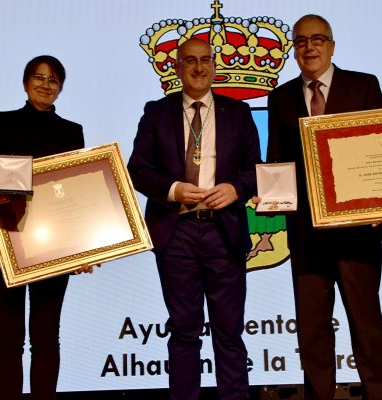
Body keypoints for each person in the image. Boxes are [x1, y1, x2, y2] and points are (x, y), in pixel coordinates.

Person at [266, 15, 382, 400]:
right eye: (301, 41)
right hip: (307, 236)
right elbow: (276, 161)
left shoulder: (363, 85)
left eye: (318, 39)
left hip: (359, 233)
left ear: (332, 45)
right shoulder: (280, 97)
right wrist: (271, 196)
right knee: (311, 334)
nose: (309, 48)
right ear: (294, 49)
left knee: (367, 328)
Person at [128, 38, 261, 400]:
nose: (199, 68)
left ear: (215, 66)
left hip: (225, 231)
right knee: (184, 332)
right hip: (177, 232)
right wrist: (172, 189)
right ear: (177, 68)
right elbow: (137, 170)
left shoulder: (239, 113)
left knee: (229, 333)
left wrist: (236, 188)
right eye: (190, 61)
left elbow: (256, 170)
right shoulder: (156, 112)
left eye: (205, 61)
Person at [0, 55, 91, 400]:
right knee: (7, 338)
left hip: (53, 245)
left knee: (47, 338)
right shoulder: (0, 123)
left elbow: (75, 195)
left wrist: (82, 248)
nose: (45, 84)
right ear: (24, 83)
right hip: (2, 242)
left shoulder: (71, 131)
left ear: (61, 88)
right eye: (38, 77)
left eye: (53, 80)